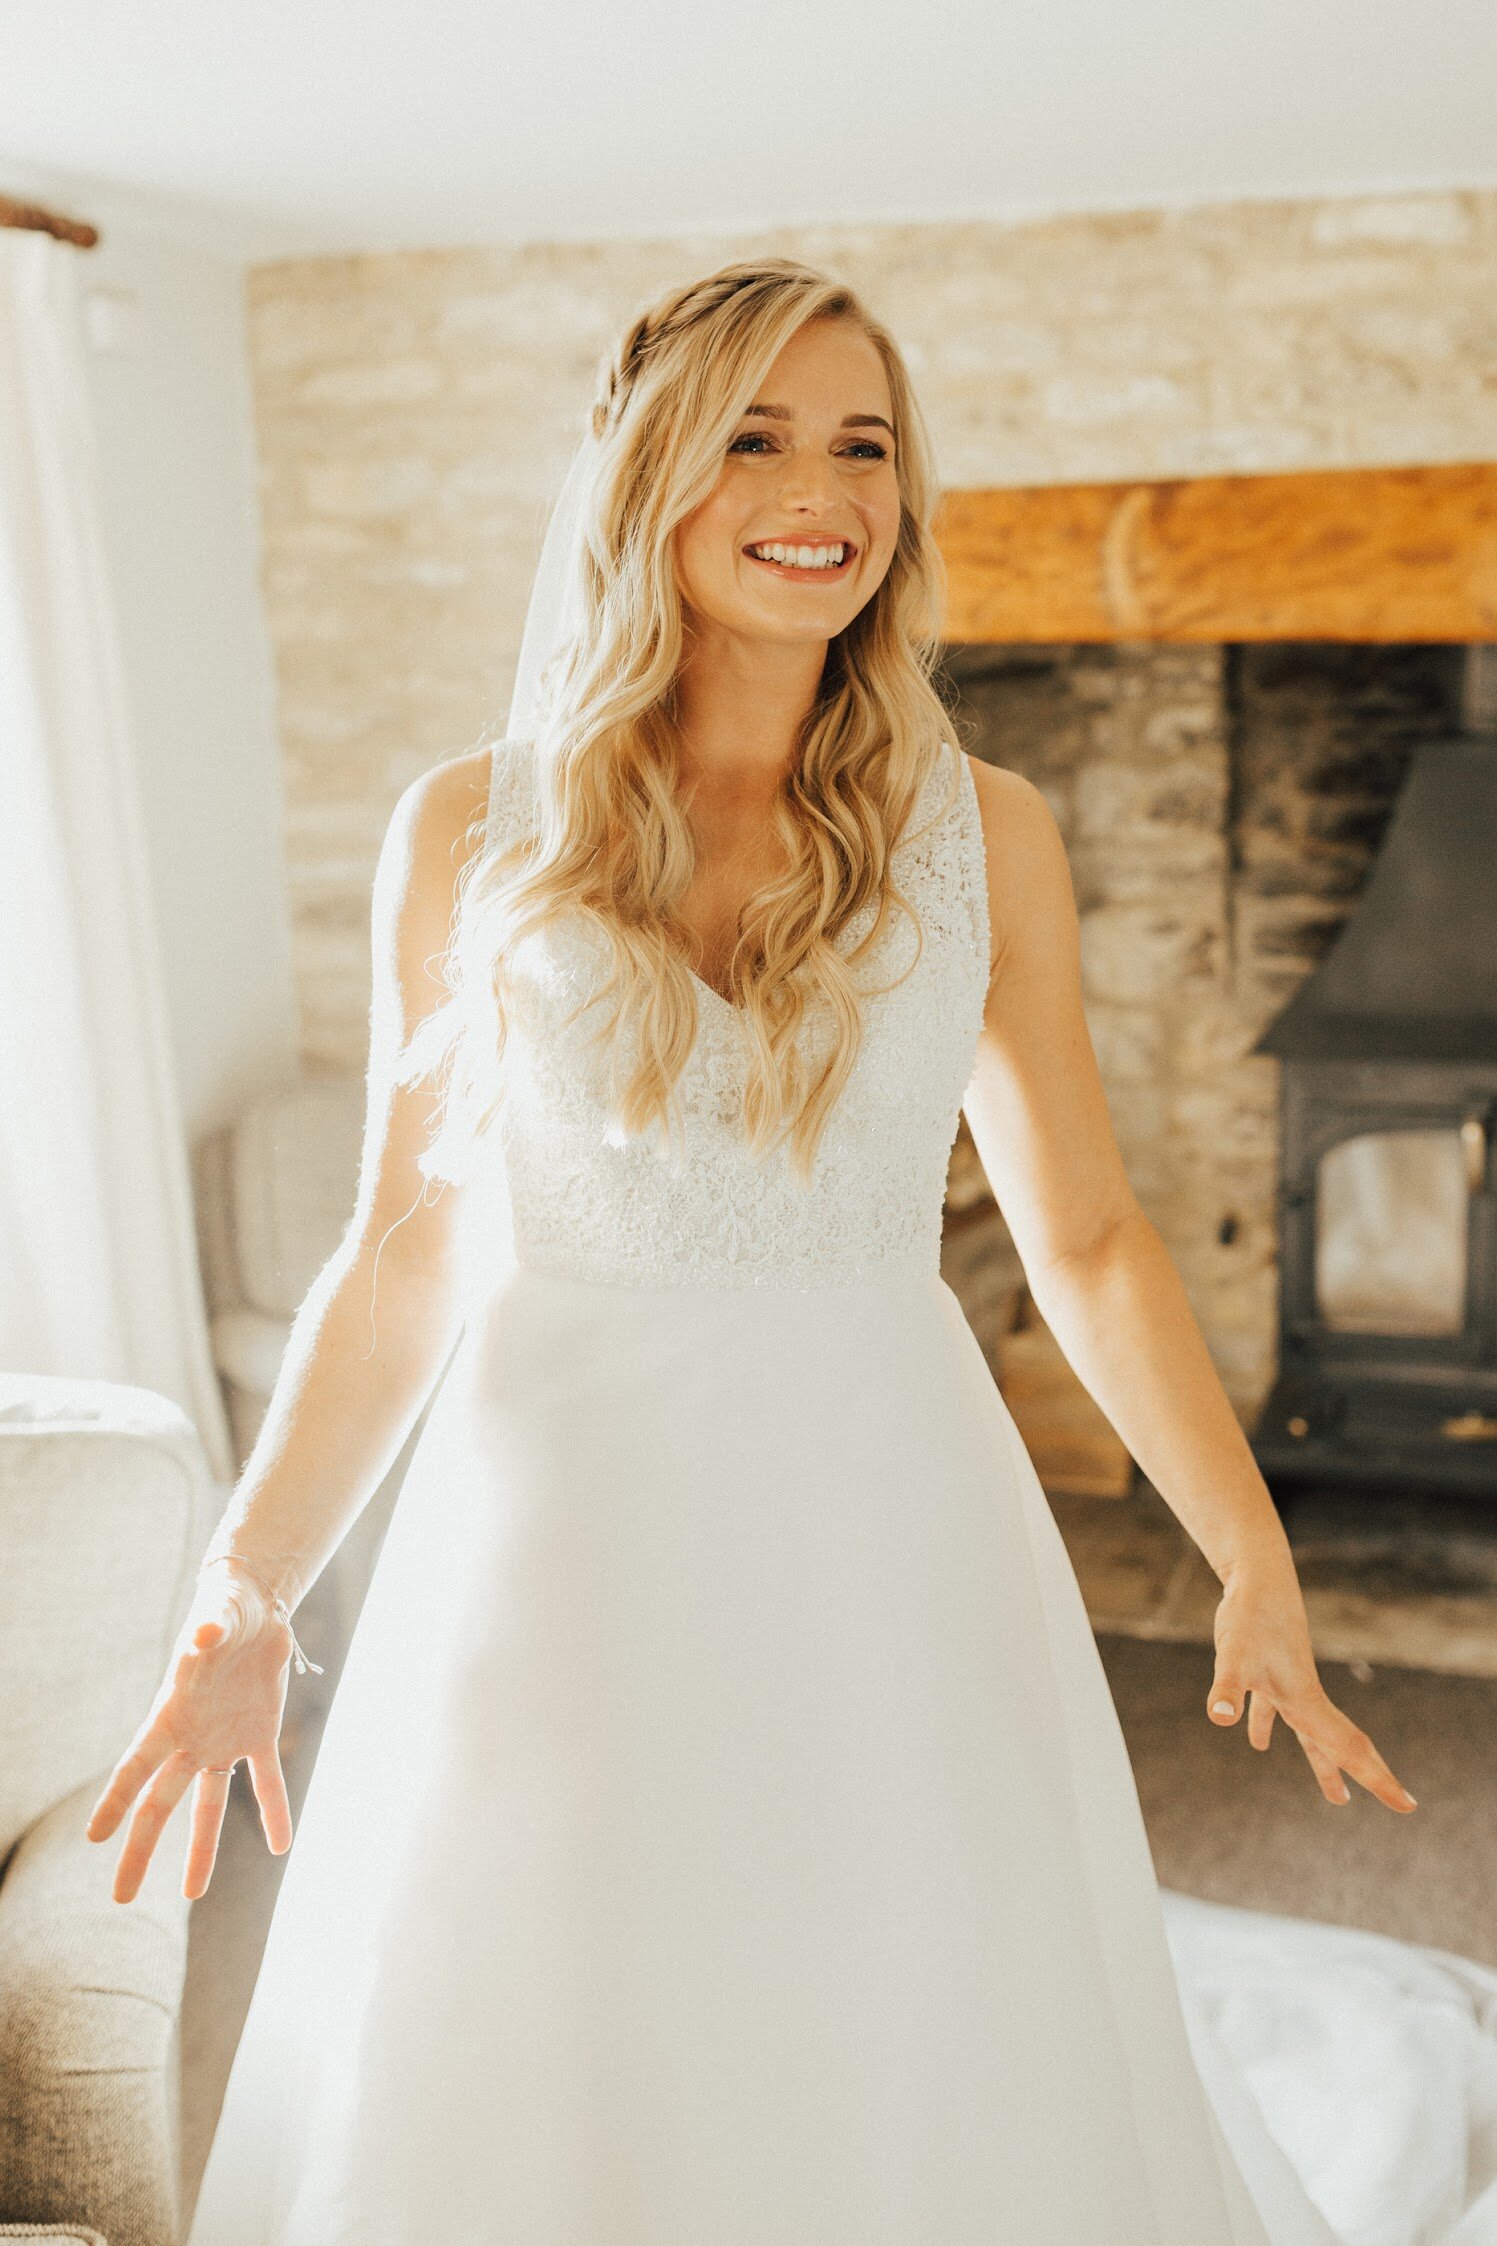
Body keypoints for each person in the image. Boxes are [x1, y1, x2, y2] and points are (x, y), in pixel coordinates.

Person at [87, 258, 1415, 2243]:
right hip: (555, 1525)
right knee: (544, 2006)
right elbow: (396, 1251)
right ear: (644, 474)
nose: (822, 488)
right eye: (756, 434)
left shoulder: (986, 832)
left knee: (902, 1989)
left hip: (881, 1506)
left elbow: (1092, 1233)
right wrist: (243, 1590)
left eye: (862, 441)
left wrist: (1247, 1555)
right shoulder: (468, 829)